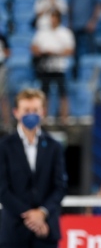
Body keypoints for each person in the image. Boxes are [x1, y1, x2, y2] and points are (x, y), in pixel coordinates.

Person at [0, 88, 67, 247]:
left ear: (43, 112)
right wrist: (32, 217)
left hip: (46, 231)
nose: (31, 114)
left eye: (35, 110)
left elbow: (60, 186)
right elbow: (2, 188)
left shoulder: (54, 146)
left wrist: (42, 212)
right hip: (13, 232)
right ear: (16, 112)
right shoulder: (4, 146)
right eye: (26, 110)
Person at [31, 10, 75, 124]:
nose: (51, 20)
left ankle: (64, 118)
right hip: (45, 67)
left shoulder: (65, 33)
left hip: (59, 67)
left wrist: (55, 53)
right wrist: (43, 52)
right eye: (50, 18)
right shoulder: (42, 32)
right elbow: (33, 47)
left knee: (63, 93)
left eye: (54, 18)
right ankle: (44, 118)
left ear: (58, 19)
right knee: (44, 93)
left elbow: (70, 50)